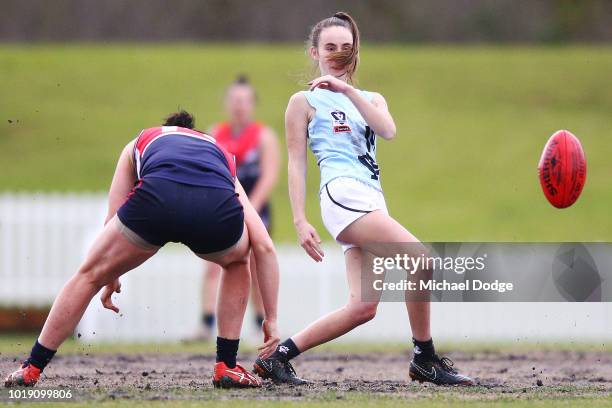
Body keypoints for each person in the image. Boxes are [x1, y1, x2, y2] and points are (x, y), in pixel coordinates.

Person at [253, 12, 474, 386]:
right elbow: (296, 164)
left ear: (355, 53)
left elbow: (387, 131)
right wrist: (299, 219)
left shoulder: (371, 98)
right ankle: (425, 358)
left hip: (371, 198)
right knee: (422, 260)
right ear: (315, 53)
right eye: (330, 47)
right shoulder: (303, 101)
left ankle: (278, 357)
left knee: (362, 308)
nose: (338, 53)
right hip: (343, 195)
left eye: (346, 47)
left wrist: (348, 91)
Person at [4, 111, 280, 389]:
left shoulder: (142, 140)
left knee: (88, 274)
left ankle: (32, 367)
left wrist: (109, 273)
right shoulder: (220, 152)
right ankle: (226, 366)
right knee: (236, 262)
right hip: (213, 208)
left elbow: (113, 218)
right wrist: (271, 319)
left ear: (167, 129)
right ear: (195, 133)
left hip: (157, 201)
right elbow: (264, 246)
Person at [194, 75, 280, 340]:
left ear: (252, 104)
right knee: (212, 263)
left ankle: (261, 324)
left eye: (244, 100)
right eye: (234, 100)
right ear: (226, 104)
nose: (238, 105)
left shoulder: (263, 136)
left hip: (255, 209)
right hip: (222, 209)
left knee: (255, 264)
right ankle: (206, 324)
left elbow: (269, 176)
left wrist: (250, 209)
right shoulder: (214, 133)